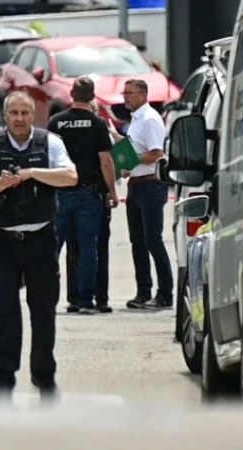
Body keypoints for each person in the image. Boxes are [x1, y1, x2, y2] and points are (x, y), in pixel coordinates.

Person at [0, 92, 77, 401]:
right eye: (14, 113)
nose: (19, 118)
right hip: (2, 239)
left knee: (44, 311)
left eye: (25, 113)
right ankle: (2, 379)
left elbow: (70, 176)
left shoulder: (50, 142)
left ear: (34, 115)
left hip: (41, 237)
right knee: (4, 311)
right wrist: (3, 182)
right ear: (6, 115)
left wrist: (31, 173)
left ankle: (45, 376)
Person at [48, 78, 118, 315]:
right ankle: (86, 300)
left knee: (53, 248)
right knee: (89, 248)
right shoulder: (97, 123)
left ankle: (47, 298)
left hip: (60, 193)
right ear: (92, 96)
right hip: (88, 192)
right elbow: (106, 161)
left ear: (71, 94)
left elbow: (47, 157)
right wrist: (112, 192)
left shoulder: (56, 122)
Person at [122, 78, 174, 310]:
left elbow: (156, 154)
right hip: (135, 183)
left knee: (153, 239)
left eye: (130, 93)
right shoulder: (135, 120)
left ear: (143, 95)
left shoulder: (149, 119)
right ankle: (143, 291)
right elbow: (136, 150)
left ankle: (165, 293)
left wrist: (130, 160)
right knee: (137, 242)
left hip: (151, 185)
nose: (125, 97)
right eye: (125, 93)